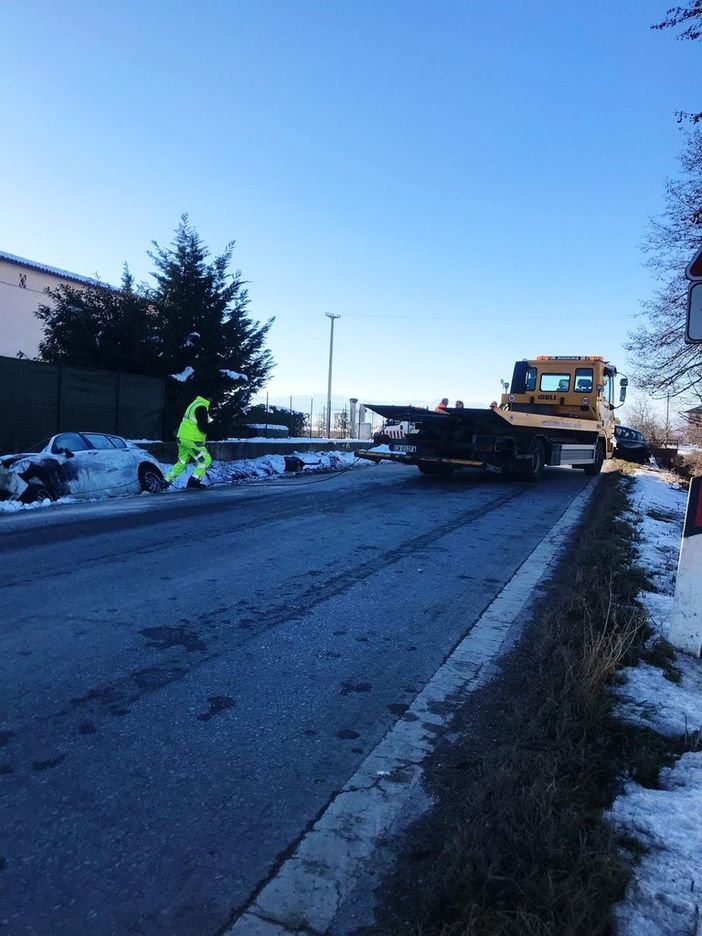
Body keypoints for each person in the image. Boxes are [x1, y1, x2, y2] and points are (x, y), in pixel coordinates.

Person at [164, 394, 213, 489]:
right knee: (205, 460)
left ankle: (165, 481)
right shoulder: (201, 407)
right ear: (208, 397)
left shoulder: (194, 404)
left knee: (182, 462)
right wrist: (215, 431)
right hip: (192, 439)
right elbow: (203, 427)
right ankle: (193, 481)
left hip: (182, 438)